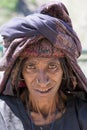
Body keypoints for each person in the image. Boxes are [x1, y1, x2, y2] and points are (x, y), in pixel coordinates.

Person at [0, 1, 87, 130]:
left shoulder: (81, 113)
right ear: (20, 71)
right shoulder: (3, 114)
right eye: (31, 67)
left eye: (52, 66)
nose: (42, 81)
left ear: (65, 70)